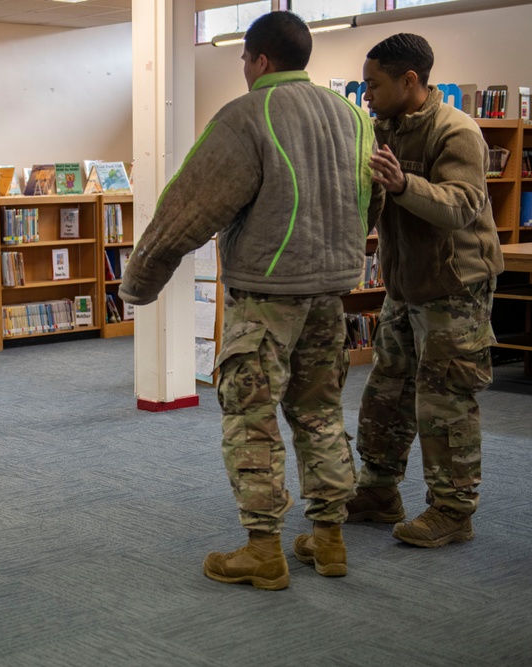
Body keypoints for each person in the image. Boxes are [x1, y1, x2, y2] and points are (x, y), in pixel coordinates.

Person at [119, 11, 381, 590]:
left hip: (265, 300)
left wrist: (139, 282)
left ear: (259, 60)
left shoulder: (247, 115)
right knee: (320, 414)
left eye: (243, 58)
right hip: (331, 295)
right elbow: (371, 204)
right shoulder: (355, 119)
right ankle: (330, 539)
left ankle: (264, 550)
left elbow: (189, 207)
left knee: (252, 420)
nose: (241, 68)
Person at [346, 33, 503, 547]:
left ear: (408, 81)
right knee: (386, 393)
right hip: (405, 287)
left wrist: (401, 186)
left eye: (373, 83)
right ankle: (378, 489)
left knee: (445, 403)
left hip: (455, 290)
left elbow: (460, 206)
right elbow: (374, 205)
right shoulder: (381, 129)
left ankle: (453, 511)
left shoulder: (456, 132)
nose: (365, 93)